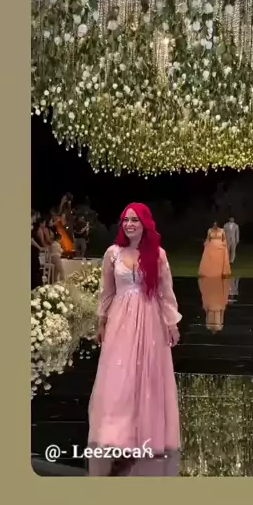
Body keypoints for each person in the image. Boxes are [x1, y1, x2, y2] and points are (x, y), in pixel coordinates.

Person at [87, 203, 181, 476]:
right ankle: (118, 433)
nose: (129, 224)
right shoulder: (112, 253)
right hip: (120, 322)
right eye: (125, 220)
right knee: (120, 375)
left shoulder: (158, 255)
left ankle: (145, 433)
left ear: (145, 224)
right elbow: (107, 291)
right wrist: (102, 321)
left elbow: (165, 292)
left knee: (147, 375)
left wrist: (172, 323)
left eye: (135, 220)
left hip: (150, 321)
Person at [31, 211, 44, 290]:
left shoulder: (33, 226)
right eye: (33, 217)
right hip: (32, 251)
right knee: (33, 271)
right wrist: (39, 247)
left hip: (34, 252)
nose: (34, 220)